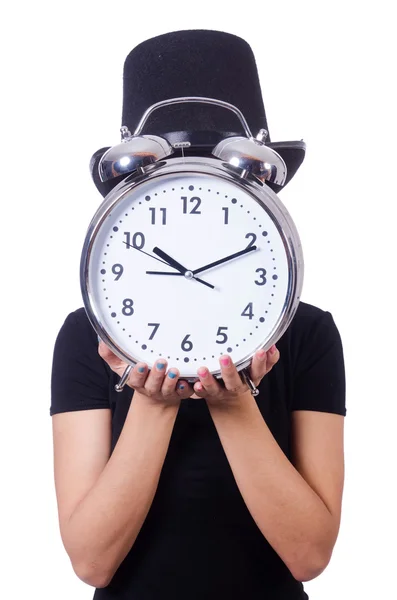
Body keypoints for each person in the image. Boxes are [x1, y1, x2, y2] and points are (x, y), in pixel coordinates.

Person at [50, 30, 346, 600]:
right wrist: (152, 404)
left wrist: (233, 404)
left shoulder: (309, 335)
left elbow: (309, 555)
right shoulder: (83, 338)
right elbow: (92, 562)